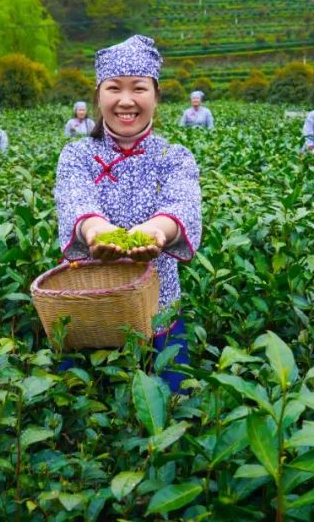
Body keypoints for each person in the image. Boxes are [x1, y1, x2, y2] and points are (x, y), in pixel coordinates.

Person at [54, 34, 202, 392]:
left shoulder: (175, 156)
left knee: (176, 404)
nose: (125, 101)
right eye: (113, 88)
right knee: (81, 412)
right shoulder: (76, 155)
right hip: (92, 311)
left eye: (138, 88)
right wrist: (96, 232)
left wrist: (155, 232)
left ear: (156, 95)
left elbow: (181, 203)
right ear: (98, 95)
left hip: (159, 307)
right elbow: (76, 200)